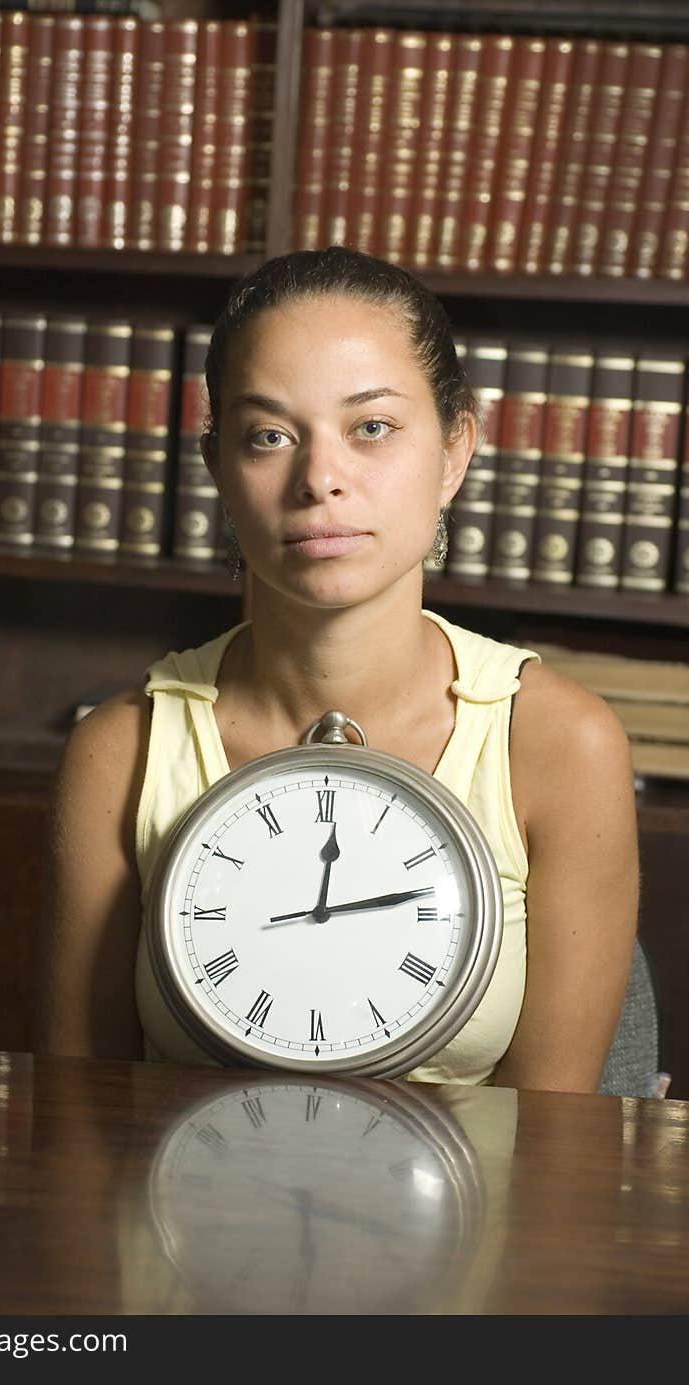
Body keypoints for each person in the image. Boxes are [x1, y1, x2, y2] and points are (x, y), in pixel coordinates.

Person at [38, 246, 639, 1093]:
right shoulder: (119, 751)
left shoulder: (561, 745)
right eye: (269, 436)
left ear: (456, 449)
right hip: (177, 1222)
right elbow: (75, 1132)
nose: (320, 479)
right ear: (218, 468)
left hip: (472, 1223)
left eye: (372, 428)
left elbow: (551, 1156)